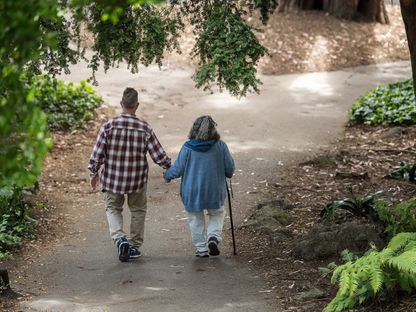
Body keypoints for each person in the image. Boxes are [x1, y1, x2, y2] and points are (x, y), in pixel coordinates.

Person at [88, 87, 171, 262]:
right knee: (138, 210)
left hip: (112, 179)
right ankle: (133, 245)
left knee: (113, 208)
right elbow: (158, 155)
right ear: (137, 105)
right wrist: (169, 168)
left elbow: (97, 155)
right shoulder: (144, 128)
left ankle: (120, 239)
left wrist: (94, 173)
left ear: (121, 104)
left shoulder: (109, 126)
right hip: (137, 180)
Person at [164, 116, 235, 258]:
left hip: (192, 191)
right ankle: (213, 237)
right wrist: (228, 173)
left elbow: (178, 169)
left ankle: (201, 248)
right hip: (214, 190)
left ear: (194, 129)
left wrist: (167, 175)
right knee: (217, 213)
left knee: (195, 218)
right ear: (213, 130)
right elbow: (230, 168)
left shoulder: (187, 147)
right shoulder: (220, 146)